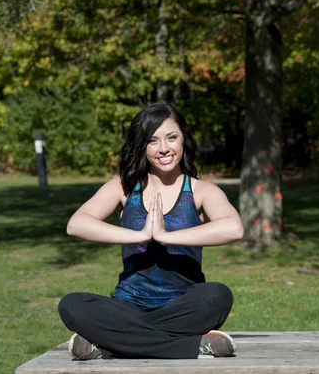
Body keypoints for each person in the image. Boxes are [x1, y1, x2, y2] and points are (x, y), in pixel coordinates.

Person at [58, 103, 244, 360]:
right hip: (128, 307)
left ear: (183, 140)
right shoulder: (123, 188)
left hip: (184, 307)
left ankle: (110, 344)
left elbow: (234, 227)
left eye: (171, 137)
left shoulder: (202, 191)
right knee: (72, 305)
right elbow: (76, 224)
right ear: (142, 146)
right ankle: (191, 346)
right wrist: (141, 235)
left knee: (218, 296)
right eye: (152, 140)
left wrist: (166, 236)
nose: (164, 148)